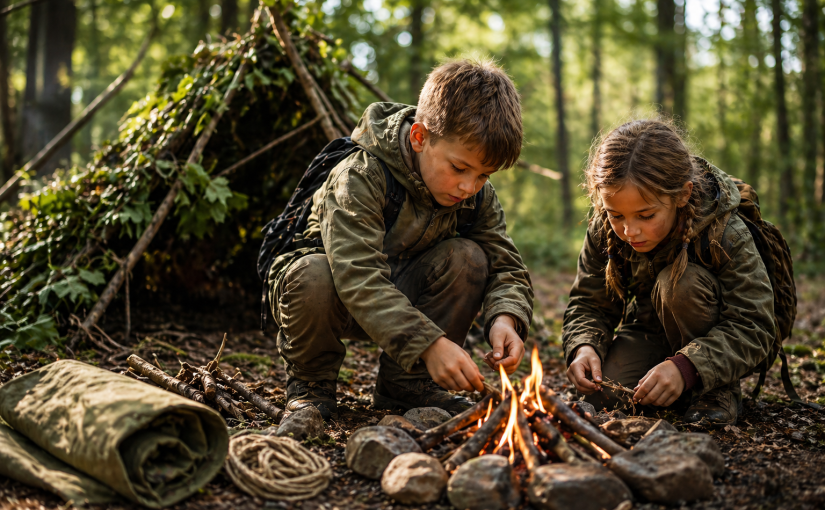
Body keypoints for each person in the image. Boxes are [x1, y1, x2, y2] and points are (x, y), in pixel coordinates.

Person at [265, 59, 534, 419]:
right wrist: (429, 344)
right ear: (419, 137)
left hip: (403, 291)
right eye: (459, 168)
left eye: (484, 175)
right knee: (313, 274)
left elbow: (506, 263)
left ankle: (408, 386)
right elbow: (357, 275)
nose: (469, 187)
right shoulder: (359, 176)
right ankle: (311, 385)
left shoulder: (474, 195)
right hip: (334, 299)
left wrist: (505, 317)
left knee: (469, 257)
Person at [563, 118, 775, 426]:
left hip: (712, 336)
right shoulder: (607, 228)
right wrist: (584, 347)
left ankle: (715, 389)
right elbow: (589, 302)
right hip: (650, 328)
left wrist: (687, 367)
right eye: (616, 214)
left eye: (646, 215)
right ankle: (669, 381)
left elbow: (755, 324)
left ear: (682, 195)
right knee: (600, 398)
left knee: (679, 285)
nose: (629, 230)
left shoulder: (725, 233)